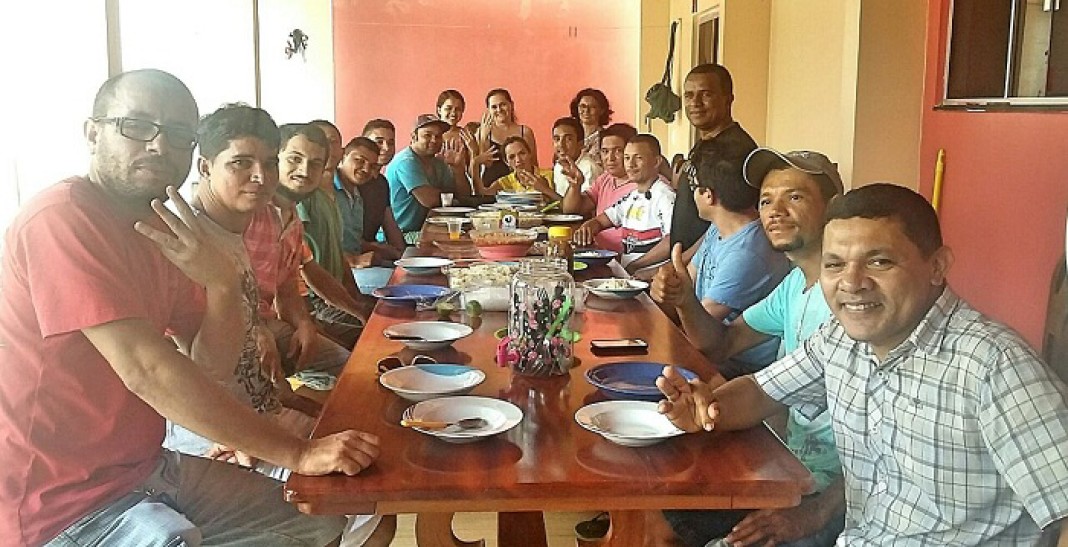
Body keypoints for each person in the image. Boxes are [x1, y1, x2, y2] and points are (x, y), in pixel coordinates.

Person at [0, 68, 377, 546]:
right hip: (61, 503)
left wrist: (221, 285)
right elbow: (147, 369)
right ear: (93, 134)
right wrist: (297, 453)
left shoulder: (163, 228)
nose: (159, 145)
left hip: (146, 467)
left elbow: (210, 365)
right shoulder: (62, 217)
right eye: (137, 126)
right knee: (178, 537)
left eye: (178, 134)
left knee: (322, 516)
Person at [659, 183, 1068, 545]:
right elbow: (760, 391)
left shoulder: (994, 367)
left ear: (937, 266)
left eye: (879, 262)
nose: (852, 283)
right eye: (834, 264)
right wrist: (706, 408)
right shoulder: (841, 339)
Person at [647, 147, 846, 546]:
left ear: (834, 207)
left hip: (828, 496)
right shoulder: (795, 283)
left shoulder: (854, 303)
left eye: (794, 196)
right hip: (787, 465)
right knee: (659, 502)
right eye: (766, 200)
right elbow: (723, 343)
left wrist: (815, 513)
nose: (775, 211)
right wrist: (685, 301)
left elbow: (888, 453)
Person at [656, 148, 792, 377]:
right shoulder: (718, 227)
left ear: (708, 195)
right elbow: (686, 280)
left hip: (737, 368)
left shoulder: (747, 253)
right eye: (767, 200)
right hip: (713, 350)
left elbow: (701, 327)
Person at [257, 124, 373, 352]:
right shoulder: (255, 213)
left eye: (315, 164)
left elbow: (306, 275)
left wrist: (358, 309)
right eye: (294, 159)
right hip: (259, 333)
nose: (304, 171)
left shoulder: (292, 218)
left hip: (286, 323)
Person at [643, 64, 759, 269]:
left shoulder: (736, 151)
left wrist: (680, 264)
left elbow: (726, 222)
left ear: (728, 99)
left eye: (706, 94)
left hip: (708, 267)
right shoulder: (706, 143)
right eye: (689, 95)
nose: (695, 103)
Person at [574, 134, 674, 273]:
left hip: (652, 276)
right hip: (628, 272)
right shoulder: (632, 196)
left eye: (638, 158)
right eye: (627, 158)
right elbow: (602, 220)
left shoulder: (665, 196)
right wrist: (588, 227)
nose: (630, 164)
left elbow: (671, 241)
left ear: (656, 161)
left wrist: (636, 265)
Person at [386, 114, 469, 242]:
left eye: (438, 136)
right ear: (414, 137)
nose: (434, 140)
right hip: (402, 235)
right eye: (427, 135)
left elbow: (464, 195)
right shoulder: (406, 162)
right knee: (458, 239)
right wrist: (453, 199)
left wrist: (458, 169)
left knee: (466, 235)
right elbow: (429, 200)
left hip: (430, 227)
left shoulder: (438, 162)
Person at [561, 122, 638, 253]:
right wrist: (575, 186)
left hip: (626, 257)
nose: (610, 158)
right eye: (605, 151)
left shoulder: (641, 185)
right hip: (598, 253)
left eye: (618, 151)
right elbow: (571, 210)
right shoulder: (605, 179)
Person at [359, 119, 405, 264]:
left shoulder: (381, 183)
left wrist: (404, 256)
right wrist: (383, 250)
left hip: (377, 254)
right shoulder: (355, 181)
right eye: (379, 142)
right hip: (357, 259)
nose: (386, 148)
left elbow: (389, 224)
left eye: (391, 143)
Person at [478, 88, 538, 187]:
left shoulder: (525, 132)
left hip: (519, 188)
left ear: (511, 105)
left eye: (503, 104)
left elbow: (534, 164)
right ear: (488, 110)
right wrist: (483, 138)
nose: (499, 110)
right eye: (494, 107)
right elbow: (485, 164)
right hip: (492, 187)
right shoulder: (482, 132)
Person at [474, 136, 557, 199]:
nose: (518, 160)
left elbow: (562, 202)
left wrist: (545, 189)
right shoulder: (506, 181)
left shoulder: (550, 175)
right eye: (512, 157)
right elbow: (483, 194)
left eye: (522, 153)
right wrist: (474, 164)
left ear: (530, 153)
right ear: (507, 162)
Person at [550, 116, 601, 195]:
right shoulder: (558, 166)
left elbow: (579, 203)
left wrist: (547, 190)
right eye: (557, 139)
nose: (561, 145)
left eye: (568, 139)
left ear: (581, 144)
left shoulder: (589, 168)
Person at [569, 87, 612, 166]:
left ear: (602, 110)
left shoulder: (607, 138)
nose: (586, 111)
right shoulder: (570, 136)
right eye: (583, 106)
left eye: (592, 107)